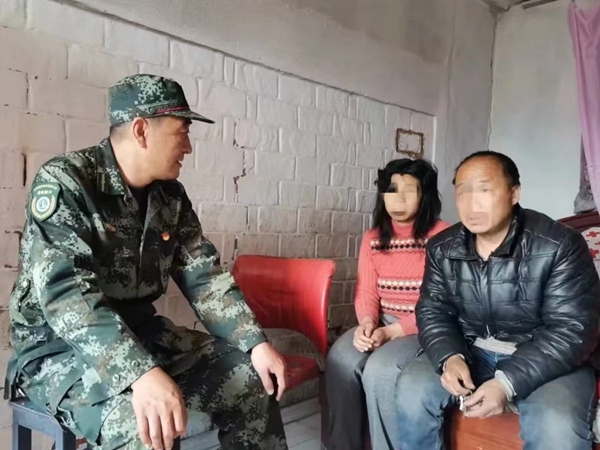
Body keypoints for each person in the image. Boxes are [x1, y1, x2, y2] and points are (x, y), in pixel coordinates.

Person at [5, 74, 289, 450]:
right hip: (58, 349)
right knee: (143, 427)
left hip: (142, 334)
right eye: (181, 133)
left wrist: (254, 342)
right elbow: (68, 297)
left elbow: (204, 276)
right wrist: (139, 372)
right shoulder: (67, 182)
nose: (188, 147)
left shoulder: (170, 196)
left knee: (252, 379)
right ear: (141, 130)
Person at [396, 150, 600, 450]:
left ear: (514, 193)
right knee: (412, 387)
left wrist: (507, 383)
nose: (472, 203)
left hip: (545, 357)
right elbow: (433, 311)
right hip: (472, 349)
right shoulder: (442, 248)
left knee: (556, 426)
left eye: (485, 190)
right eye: (463, 192)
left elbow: (573, 329)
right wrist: (449, 357)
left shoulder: (559, 244)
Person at [324, 158, 450, 450]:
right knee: (340, 358)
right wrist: (367, 324)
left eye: (410, 191)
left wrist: (393, 332)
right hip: (383, 323)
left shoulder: (443, 236)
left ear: (425, 195)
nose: (398, 199)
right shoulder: (373, 238)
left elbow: (443, 303)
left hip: (425, 327)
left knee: (380, 369)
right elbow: (366, 292)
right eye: (392, 190)